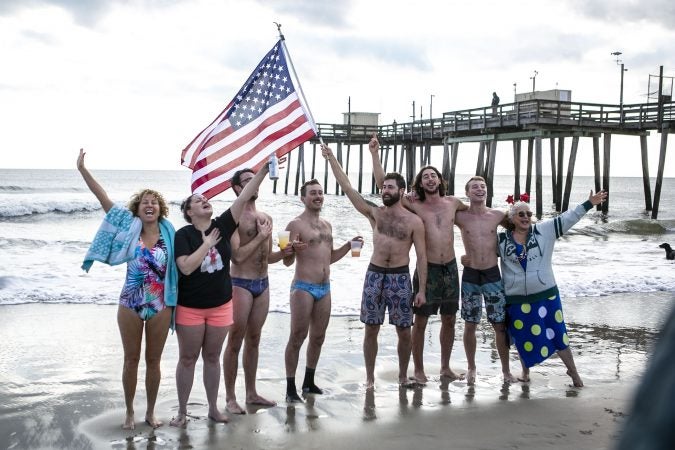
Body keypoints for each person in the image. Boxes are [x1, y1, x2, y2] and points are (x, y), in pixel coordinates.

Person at [78, 148, 177, 430]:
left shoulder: (170, 233)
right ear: (138, 208)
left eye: (154, 202)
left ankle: (150, 411)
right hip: (130, 302)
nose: (150, 205)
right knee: (131, 359)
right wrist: (84, 170)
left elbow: (184, 262)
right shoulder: (129, 226)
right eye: (145, 202)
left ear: (160, 209)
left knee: (154, 361)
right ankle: (130, 412)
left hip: (160, 303)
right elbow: (103, 198)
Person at [170, 162, 270, 427]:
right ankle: (182, 411)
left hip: (221, 305)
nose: (204, 200)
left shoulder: (224, 225)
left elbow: (246, 193)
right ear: (189, 212)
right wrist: (206, 245)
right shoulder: (184, 235)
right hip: (190, 306)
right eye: (197, 200)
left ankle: (214, 408)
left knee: (212, 358)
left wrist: (263, 171)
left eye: (205, 198)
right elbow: (186, 267)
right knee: (188, 358)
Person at [322, 143, 427, 389]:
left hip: (400, 278)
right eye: (383, 187)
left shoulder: (414, 221)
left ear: (402, 191)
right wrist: (331, 158)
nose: (385, 190)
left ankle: (403, 376)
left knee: (404, 330)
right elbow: (347, 187)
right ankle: (369, 378)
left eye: (390, 187)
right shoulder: (375, 214)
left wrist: (421, 289)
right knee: (371, 328)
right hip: (375, 275)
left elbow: (421, 257)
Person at [369, 134, 466, 383]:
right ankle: (419, 370)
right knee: (420, 321)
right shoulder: (414, 205)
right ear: (419, 184)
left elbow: (477, 215)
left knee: (450, 319)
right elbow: (385, 185)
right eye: (425, 176)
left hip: (451, 268)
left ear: (439, 180)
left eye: (433, 175)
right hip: (429, 269)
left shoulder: (453, 202)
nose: (430, 179)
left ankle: (445, 367)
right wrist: (375, 155)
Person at [497, 190, 607, 387]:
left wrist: (588, 203)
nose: (526, 217)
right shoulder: (501, 241)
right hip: (516, 299)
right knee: (523, 337)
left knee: (558, 334)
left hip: (546, 296)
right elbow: (481, 251)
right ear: (512, 218)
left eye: (529, 214)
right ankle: (525, 372)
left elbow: (568, 218)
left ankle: (574, 373)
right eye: (521, 214)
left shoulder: (544, 231)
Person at [281, 178, 360, 402]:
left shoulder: (327, 225)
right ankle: (289, 388)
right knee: (297, 336)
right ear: (303, 198)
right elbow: (285, 261)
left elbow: (329, 257)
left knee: (318, 337)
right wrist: (290, 251)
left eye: (320, 192)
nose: (318, 196)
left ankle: (308, 381)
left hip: (325, 288)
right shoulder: (293, 224)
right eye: (312, 193)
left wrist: (348, 245)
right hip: (303, 287)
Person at [223, 168, 287, 414]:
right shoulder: (234, 218)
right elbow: (237, 257)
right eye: (248, 181)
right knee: (235, 340)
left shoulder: (266, 217)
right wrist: (261, 237)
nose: (255, 184)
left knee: (254, 339)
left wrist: (287, 252)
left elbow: (269, 257)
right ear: (238, 188)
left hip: (263, 283)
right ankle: (230, 397)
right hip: (240, 284)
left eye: (255, 179)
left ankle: (251, 393)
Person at [455, 176, 516, 385]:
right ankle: (471, 367)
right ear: (467, 193)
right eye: (474, 187)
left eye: (483, 187)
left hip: (492, 274)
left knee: (499, 324)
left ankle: (506, 371)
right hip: (471, 275)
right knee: (470, 323)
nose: (479, 189)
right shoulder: (460, 217)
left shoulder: (498, 215)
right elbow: (437, 223)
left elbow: (522, 228)